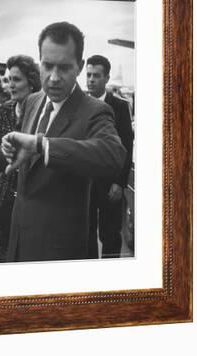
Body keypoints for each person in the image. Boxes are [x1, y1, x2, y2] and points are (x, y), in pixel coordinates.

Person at [0, 22, 126, 262]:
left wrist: (43, 144)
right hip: (18, 238)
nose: (54, 78)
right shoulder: (33, 101)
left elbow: (112, 156)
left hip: (59, 250)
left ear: (79, 66)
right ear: (40, 62)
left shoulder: (95, 111)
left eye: (65, 68)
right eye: (48, 66)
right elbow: (19, 149)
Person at [0, 55, 41, 263]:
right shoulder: (6, 110)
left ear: (31, 82)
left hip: (30, 191)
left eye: (17, 80)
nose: (11, 85)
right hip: (5, 190)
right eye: (8, 80)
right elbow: (0, 154)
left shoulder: (42, 112)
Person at [86, 54, 134, 258]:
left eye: (96, 75)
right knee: (85, 232)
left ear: (106, 78)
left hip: (110, 182)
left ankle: (110, 277)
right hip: (85, 181)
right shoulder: (78, 104)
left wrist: (119, 183)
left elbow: (126, 146)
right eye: (88, 75)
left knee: (110, 234)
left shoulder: (120, 106)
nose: (90, 80)